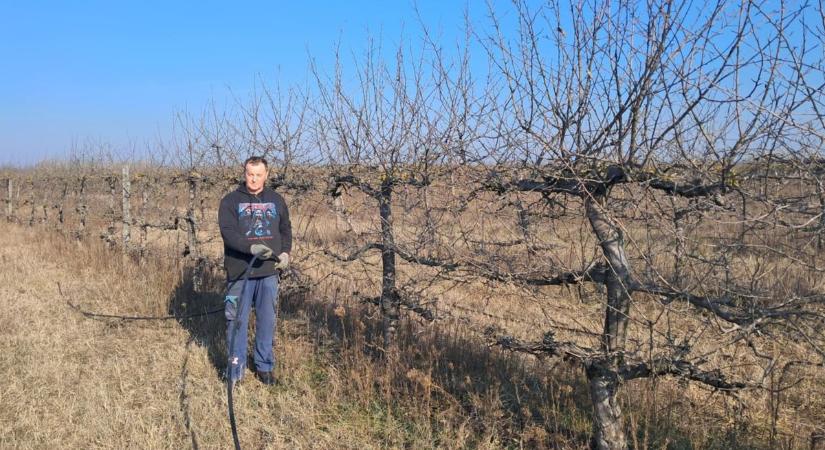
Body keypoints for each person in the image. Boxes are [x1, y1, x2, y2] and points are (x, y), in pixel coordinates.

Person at [218, 156, 292, 385]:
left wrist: (286, 253)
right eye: (250, 174)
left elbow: (285, 229)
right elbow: (229, 233)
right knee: (236, 322)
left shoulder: (276, 200)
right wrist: (250, 247)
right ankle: (235, 370)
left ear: (266, 175)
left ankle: (264, 366)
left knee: (267, 321)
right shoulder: (230, 201)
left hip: (269, 273)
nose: (254, 179)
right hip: (240, 272)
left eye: (259, 174)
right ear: (244, 173)